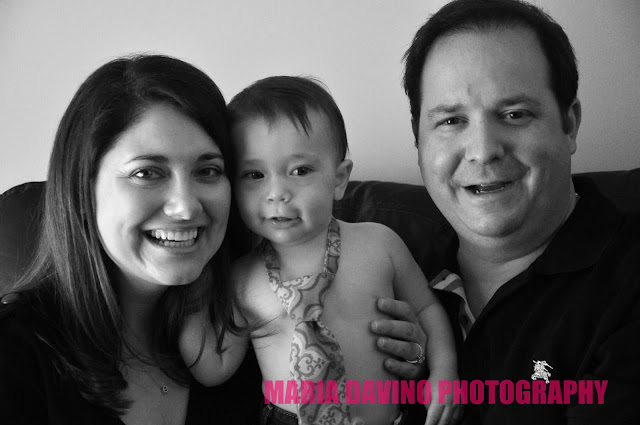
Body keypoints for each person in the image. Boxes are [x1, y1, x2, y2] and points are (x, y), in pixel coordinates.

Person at [399, 0, 640, 423]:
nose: (483, 150)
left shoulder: (629, 282)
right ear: (419, 142)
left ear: (569, 124)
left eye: (514, 114)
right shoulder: (392, 276)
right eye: (451, 121)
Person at [179, 76, 460, 425]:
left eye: (300, 170)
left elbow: (427, 308)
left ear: (339, 179)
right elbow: (215, 368)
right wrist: (188, 294)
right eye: (254, 175)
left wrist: (444, 372)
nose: (277, 193)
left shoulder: (379, 244)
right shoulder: (240, 278)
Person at [0, 54, 260, 424]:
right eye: (146, 173)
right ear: (83, 190)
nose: (186, 207)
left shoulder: (257, 322)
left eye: (207, 170)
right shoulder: (14, 356)